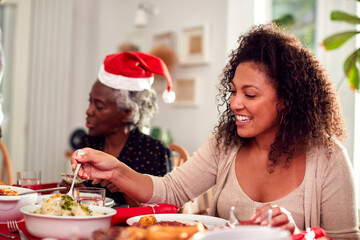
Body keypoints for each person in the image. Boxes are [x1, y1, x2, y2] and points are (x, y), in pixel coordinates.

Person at [70, 24, 359, 239]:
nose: (235, 103)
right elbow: (171, 191)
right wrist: (115, 171)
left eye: (250, 94)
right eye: (233, 92)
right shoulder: (225, 142)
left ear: (286, 100)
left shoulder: (328, 157)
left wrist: (298, 234)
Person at [67, 52, 175, 206]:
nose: (89, 111)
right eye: (90, 102)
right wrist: (71, 188)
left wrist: (124, 186)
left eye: (99, 106)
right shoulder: (89, 144)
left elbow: (159, 215)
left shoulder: (155, 152)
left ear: (127, 113)